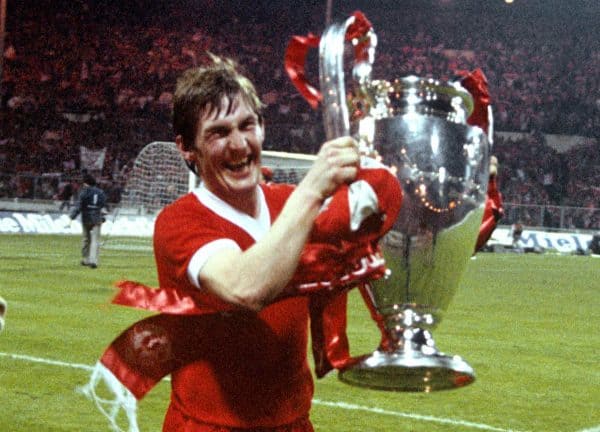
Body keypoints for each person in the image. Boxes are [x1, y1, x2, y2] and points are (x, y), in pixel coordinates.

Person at [84, 55, 402, 432]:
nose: (238, 144)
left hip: (294, 425)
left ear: (262, 128)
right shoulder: (181, 221)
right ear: (187, 148)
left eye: (246, 125)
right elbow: (244, 287)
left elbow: (380, 216)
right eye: (218, 132)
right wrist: (313, 190)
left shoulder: (290, 203)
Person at [69, 173, 108, 269]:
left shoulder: (84, 192)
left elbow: (79, 206)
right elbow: (102, 205)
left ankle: (86, 259)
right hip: (97, 218)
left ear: (86, 183)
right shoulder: (101, 192)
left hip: (86, 218)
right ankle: (93, 260)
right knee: (95, 240)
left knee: (86, 239)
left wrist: (72, 216)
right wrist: (102, 216)